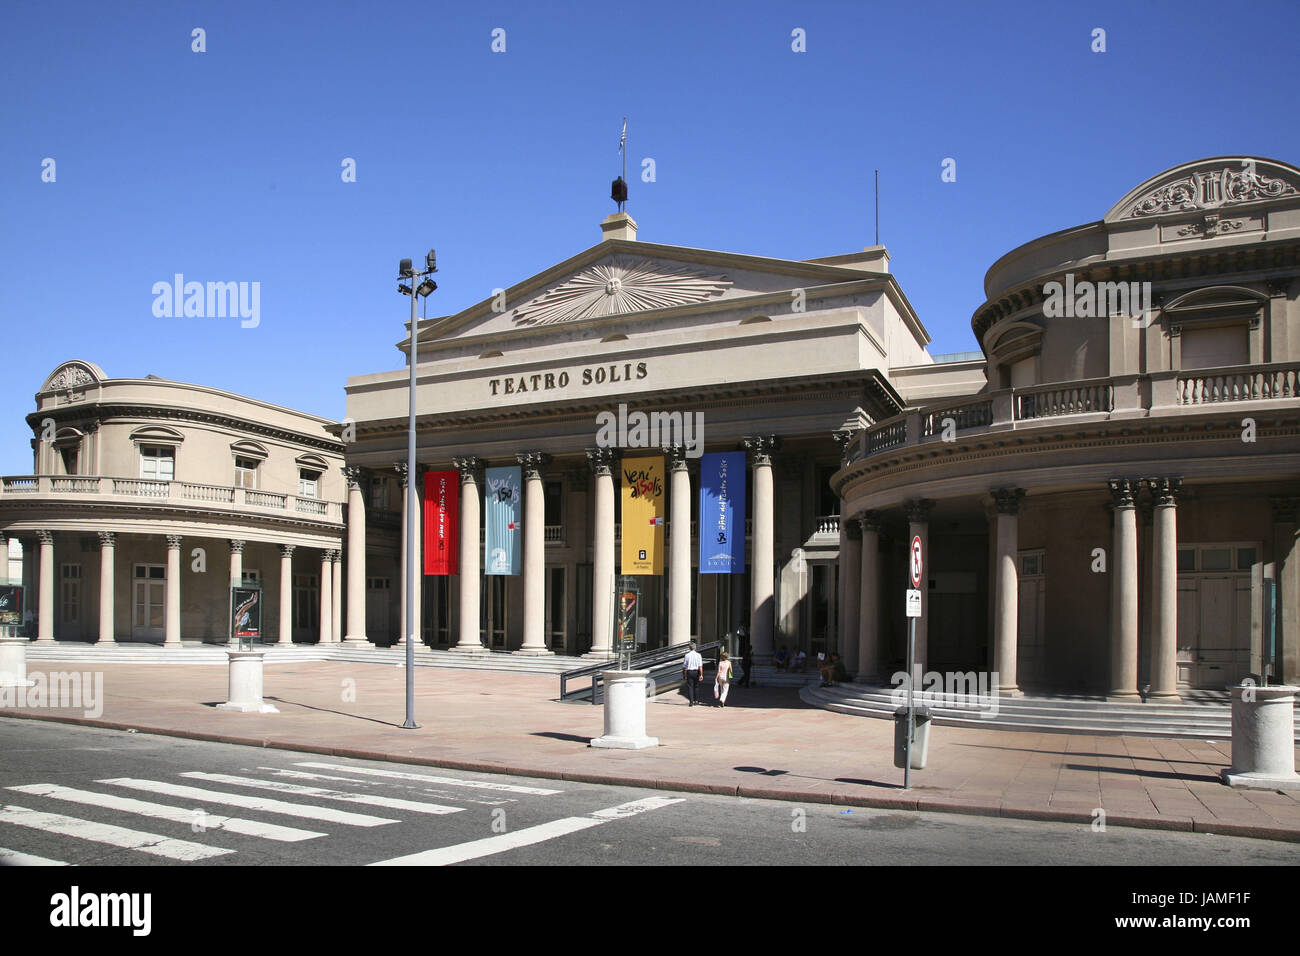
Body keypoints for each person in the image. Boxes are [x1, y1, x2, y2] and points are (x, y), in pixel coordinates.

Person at [682, 641, 704, 706]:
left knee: (690, 687)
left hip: (689, 672)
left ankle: (691, 701)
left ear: (689, 648)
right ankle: (696, 700)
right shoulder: (699, 655)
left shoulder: (687, 655)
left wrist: (683, 674)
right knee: (696, 686)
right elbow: (700, 666)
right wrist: (701, 674)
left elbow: (684, 666)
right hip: (696, 671)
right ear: (695, 648)